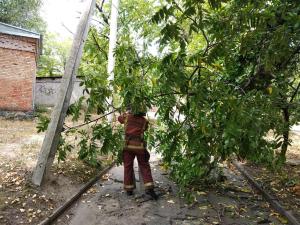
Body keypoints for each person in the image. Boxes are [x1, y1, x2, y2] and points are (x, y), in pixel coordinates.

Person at [118, 108, 158, 200]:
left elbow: (119, 119)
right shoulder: (144, 121)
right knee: (144, 166)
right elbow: (145, 129)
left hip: (128, 147)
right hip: (139, 147)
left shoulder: (126, 117)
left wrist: (126, 112)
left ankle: (129, 190)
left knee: (128, 167)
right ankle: (150, 189)